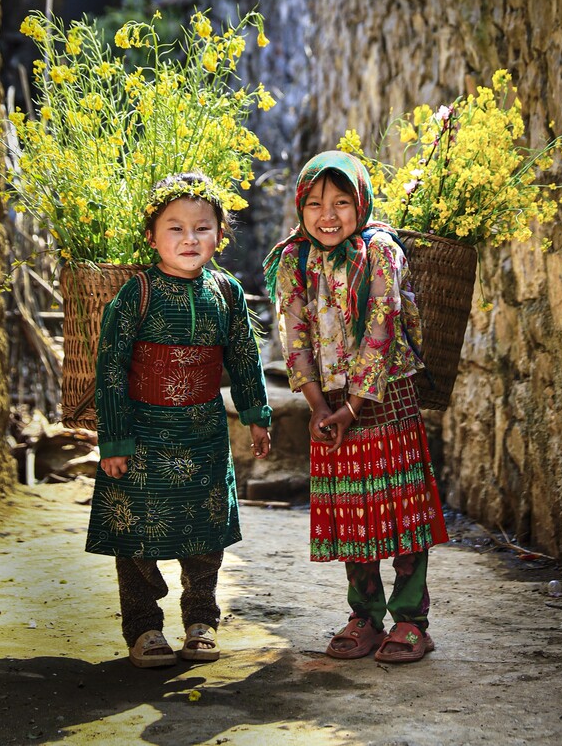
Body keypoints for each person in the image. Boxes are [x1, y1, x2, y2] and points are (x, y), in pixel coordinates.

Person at [263, 151, 448, 663]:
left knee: (401, 510)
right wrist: (319, 405)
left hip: (385, 400)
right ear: (301, 206)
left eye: (342, 202)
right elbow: (293, 333)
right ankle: (364, 616)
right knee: (353, 514)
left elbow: (382, 331)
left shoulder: (381, 252)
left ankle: (412, 620)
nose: (329, 215)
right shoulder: (294, 259)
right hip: (331, 406)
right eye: (316, 203)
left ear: (361, 204)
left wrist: (352, 406)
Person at [86, 171, 272, 668]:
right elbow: (111, 367)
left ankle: (201, 621)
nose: (190, 239)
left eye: (202, 228)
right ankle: (144, 629)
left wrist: (257, 415)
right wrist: (116, 440)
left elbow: (245, 356)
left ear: (220, 235)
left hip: (204, 433)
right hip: (143, 435)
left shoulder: (227, 292)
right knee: (137, 536)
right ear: (151, 237)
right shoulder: (137, 294)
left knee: (205, 533)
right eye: (175, 228)